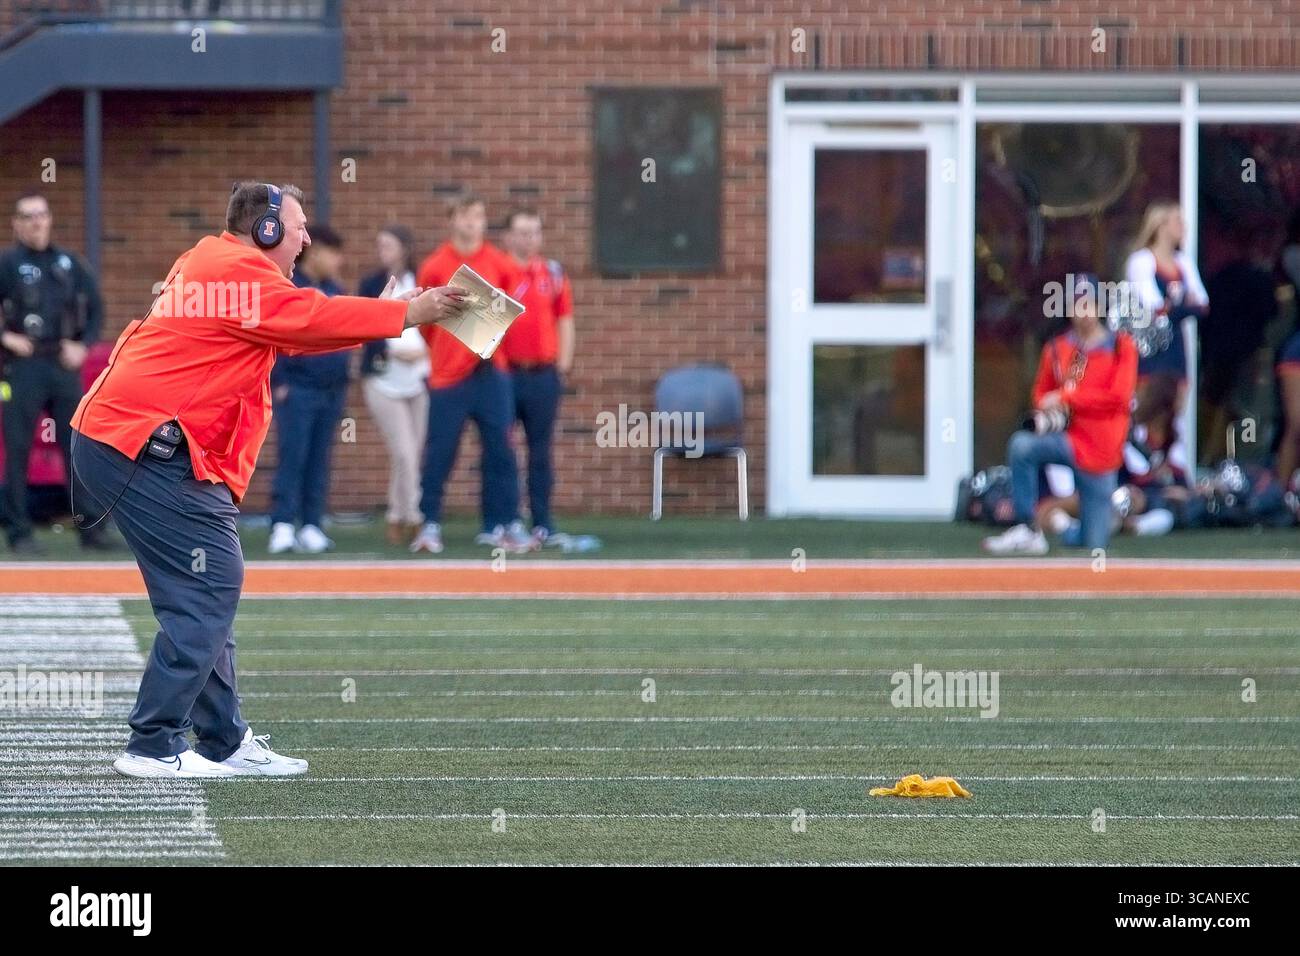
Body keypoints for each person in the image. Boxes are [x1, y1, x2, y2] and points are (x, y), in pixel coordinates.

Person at [69, 182, 468, 779]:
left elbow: (296, 325)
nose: (307, 238)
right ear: (268, 231)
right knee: (208, 588)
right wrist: (408, 313)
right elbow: (308, 316)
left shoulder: (219, 264)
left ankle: (222, 739)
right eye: (300, 226)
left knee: (205, 589)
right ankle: (152, 744)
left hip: (137, 442)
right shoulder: (233, 271)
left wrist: (390, 311)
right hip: (141, 445)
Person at [410, 194, 532, 555]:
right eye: (465, 216)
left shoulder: (500, 262)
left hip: (492, 370)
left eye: (478, 216)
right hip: (449, 374)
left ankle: (501, 523)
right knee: (440, 451)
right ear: (452, 220)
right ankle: (429, 524)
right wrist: (452, 348)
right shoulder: (435, 265)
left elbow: (510, 313)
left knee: (502, 449)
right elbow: (424, 321)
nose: (472, 223)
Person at [983, 274, 1138, 555]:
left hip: (1101, 451)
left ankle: (1066, 527)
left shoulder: (1120, 346)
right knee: (1023, 445)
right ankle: (1027, 527)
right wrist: (1049, 406)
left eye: (1089, 303)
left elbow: (1118, 397)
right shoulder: (1057, 348)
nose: (1083, 312)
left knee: (1093, 541)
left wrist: (1068, 397)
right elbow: (1041, 393)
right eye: (1077, 304)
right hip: (1068, 438)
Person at [0, 191, 114, 553]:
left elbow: (95, 308)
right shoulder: (6, 263)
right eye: (28, 216)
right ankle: (19, 533)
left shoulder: (68, 263)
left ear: (49, 220)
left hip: (63, 365)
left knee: (77, 447)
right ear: (16, 223)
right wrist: (7, 338)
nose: (36, 222)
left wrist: (83, 345)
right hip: (22, 366)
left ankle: (90, 530)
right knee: (16, 450)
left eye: (41, 215)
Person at [267, 224, 350, 554]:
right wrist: (281, 382)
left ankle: (312, 523)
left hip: (331, 391)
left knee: (320, 458)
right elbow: (277, 335)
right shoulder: (291, 287)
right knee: (293, 455)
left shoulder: (334, 288)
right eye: (334, 253)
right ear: (315, 253)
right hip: (298, 388)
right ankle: (283, 523)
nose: (339, 261)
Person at [500, 209, 574, 545]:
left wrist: (562, 365)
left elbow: (565, 320)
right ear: (509, 237)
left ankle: (542, 521)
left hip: (543, 375)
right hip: (506, 374)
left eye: (534, 232)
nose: (528, 238)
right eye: (521, 232)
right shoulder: (499, 272)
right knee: (502, 449)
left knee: (540, 451)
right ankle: (506, 521)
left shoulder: (553, 273)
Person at [359, 226, 429, 545]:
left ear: (404, 248)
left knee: (413, 452)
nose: (382, 251)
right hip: (384, 379)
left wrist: (425, 352)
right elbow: (364, 331)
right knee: (403, 451)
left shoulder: (421, 279)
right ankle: (414, 518)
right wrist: (399, 351)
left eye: (388, 245)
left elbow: (435, 325)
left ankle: (395, 515)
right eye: (379, 245)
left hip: (419, 378)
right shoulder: (371, 284)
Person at [1124, 201, 1209, 456]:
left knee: (1176, 413)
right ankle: (1141, 471)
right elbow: (1154, 308)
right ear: (1161, 225)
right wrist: (1181, 305)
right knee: (1145, 412)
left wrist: (1175, 307)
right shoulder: (1141, 261)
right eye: (1177, 220)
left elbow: (1203, 305)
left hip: (1177, 350)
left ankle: (1173, 472)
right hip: (1149, 350)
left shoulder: (1183, 262)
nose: (1183, 226)